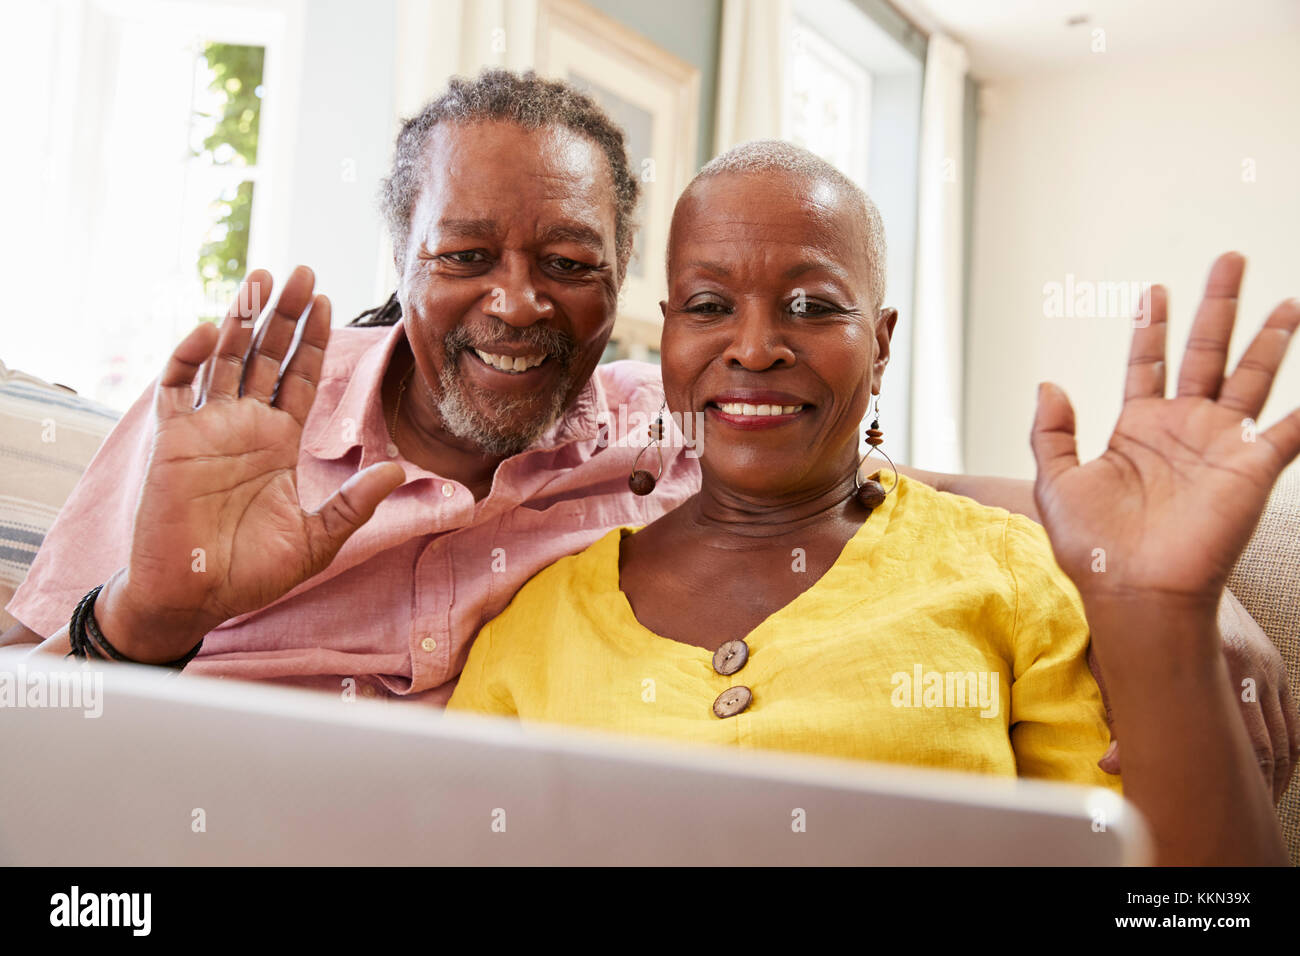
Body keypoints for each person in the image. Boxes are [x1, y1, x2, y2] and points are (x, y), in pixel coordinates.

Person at [5, 70, 1292, 791]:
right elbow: (29, 730)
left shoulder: (658, 420)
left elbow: (873, 481)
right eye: (463, 255)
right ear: (400, 258)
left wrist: (1184, 596)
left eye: (564, 260)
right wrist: (145, 619)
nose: (514, 302)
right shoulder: (229, 423)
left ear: (621, 284)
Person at [445, 141, 1298, 865]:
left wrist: (1165, 615)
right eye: (708, 307)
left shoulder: (1013, 575)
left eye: (811, 306)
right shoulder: (535, 626)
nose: (754, 347)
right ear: (667, 334)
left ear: (881, 345)